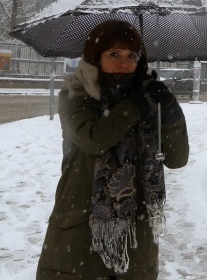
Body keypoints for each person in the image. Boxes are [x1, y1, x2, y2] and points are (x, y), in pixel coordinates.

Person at [36, 19, 189, 280]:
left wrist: (171, 110)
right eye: (114, 54)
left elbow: (177, 159)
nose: (125, 63)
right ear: (96, 57)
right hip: (82, 233)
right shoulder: (76, 96)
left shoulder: (149, 98)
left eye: (132, 55)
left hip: (136, 236)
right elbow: (94, 139)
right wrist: (134, 105)